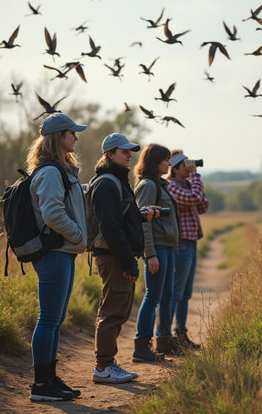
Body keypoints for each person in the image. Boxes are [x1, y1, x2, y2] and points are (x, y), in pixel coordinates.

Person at [27, 113, 88, 402]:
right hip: (54, 253)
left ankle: (49, 378)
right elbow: (52, 213)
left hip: (62, 252)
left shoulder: (60, 169)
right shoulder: (50, 171)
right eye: (71, 133)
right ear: (57, 137)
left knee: (55, 318)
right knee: (49, 318)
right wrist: (76, 235)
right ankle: (41, 385)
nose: (76, 137)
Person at [90, 133, 159, 383]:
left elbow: (118, 218)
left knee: (117, 310)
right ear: (109, 154)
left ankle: (107, 363)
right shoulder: (107, 183)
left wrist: (141, 215)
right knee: (113, 311)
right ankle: (104, 367)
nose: (129, 155)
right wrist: (129, 262)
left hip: (117, 254)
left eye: (130, 152)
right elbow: (110, 227)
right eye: (124, 152)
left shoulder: (116, 180)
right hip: (114, 256)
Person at [132, 143, 181, 361]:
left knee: (168, 296)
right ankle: (141, 346)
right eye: (165, 160)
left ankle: (164, 342)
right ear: (155, 162)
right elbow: (143, 222)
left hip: (167, 247)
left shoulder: (160, 185)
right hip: (157, 248)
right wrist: (150, 253)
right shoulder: (148, 185)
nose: (169, 164)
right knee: (153, 296)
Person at [167, 151, 209, 349]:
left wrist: (193, 181)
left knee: (185, 294)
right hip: (180, 243)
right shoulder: (172, 186)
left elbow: (203, 205)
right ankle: (167, 336)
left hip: (191, 242)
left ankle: (181, 335)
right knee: (176, 293)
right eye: (185, 164)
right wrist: (196, 177)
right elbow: (195, 199)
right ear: (174, 169)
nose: (189, 166)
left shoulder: (186, 185)